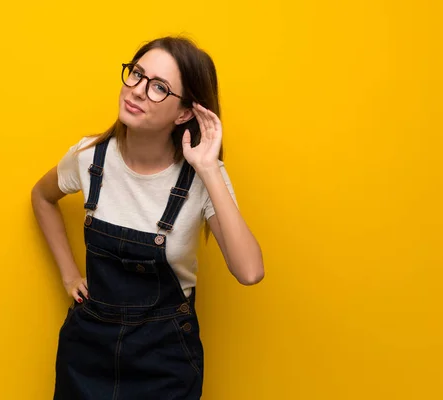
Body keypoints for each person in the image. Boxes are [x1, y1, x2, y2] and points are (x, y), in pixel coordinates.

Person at [31, 36, 264, 400]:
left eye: (159, 88)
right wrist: (69, 273)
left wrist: (208, 168)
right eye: (136, 74)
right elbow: (42, 197)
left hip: (164, 360)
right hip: (88, 352)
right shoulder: (89, 158)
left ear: (185, 112)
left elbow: (249, 271)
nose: (138, 91)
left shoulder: (205, 176)